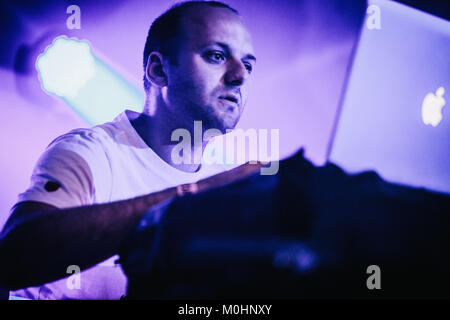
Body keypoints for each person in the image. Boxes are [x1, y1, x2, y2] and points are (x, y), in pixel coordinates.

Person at [0, 1, 256, 299]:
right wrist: (197, 193)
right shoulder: (90, 153)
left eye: (248, 64)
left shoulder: (224, 183)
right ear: (159, 69)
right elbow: (13, 258)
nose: (240, 75)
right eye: (216, 55)